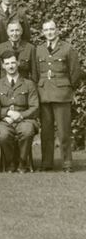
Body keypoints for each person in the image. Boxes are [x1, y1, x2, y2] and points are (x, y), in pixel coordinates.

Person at [36, 20, 81, 171]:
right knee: (46, 132)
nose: (49, 32)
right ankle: (47, 163)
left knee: (64, 132)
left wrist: (70, 89)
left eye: (52, 29)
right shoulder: (39, 49)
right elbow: (36, 73)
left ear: (57, 30)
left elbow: (75, 73)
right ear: (43, 32)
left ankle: (67, 163)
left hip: (62, 95)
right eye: (46, 30)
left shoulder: (68, 49)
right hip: (44, 95)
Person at [0, 51, 40, 173]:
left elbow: (35, 107)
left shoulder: (29, 84)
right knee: (3, 135)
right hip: (5, 120)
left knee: (27, 131)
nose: (11, 66)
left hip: (25, 119)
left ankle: (22, 162)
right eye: (7, 63)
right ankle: (10, 162)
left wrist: (20, 115)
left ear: (18, 63)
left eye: (13, 63)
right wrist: (7, 113)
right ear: (3, 66)